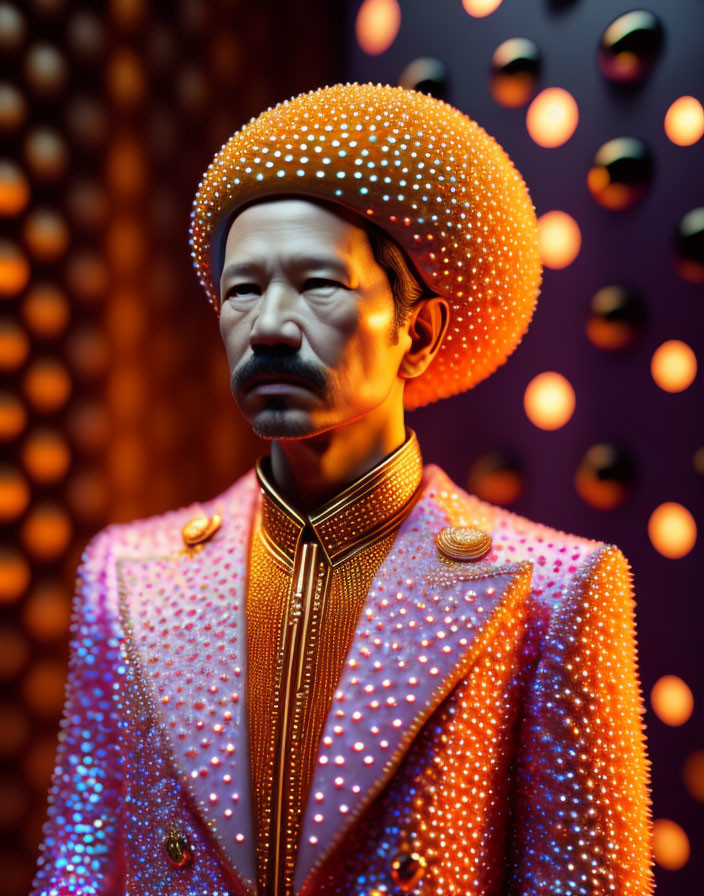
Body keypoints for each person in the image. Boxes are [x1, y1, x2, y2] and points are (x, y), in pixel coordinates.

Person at [31, 83, 653, 896]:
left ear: (417, 333)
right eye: (243, 290)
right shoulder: (128, 576)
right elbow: (77, 873)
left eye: (319, 285)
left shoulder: (553, 591)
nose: (271, 326)